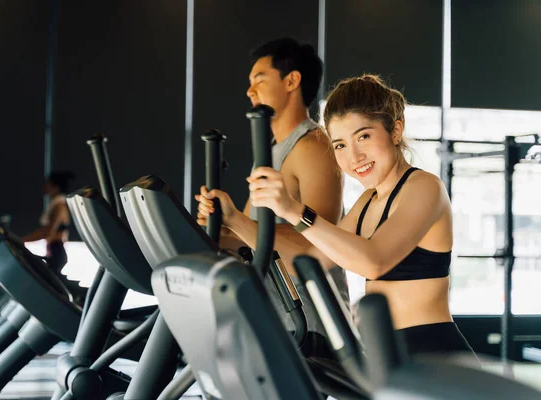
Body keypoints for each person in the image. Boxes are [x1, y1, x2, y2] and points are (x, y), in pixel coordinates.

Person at [247, 74, 477, 360]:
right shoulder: (368, 201)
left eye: (363, 136)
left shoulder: (424, 187)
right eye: (340, 145)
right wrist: (235, 221)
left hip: (434, 355)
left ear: (395, 131)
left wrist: (294, 210)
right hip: (387, 354)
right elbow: (309, 260)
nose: (354, 157)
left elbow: (375, 261)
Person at [195, 37, 347, 358]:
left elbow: (319, 247)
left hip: (309, 325)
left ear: (291, 81)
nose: (249, 91)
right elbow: (248, 242)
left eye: (259, 80)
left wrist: (235, 221)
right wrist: (215, 227)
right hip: (275, 320)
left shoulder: (313, 146)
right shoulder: (271, 152)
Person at [23, 171, 84, 301]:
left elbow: (48, 231)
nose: (44, 186)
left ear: (55, 186)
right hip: (52, 250)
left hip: (56, 251)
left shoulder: (60, 205)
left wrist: (21, 240)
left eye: (47, 184)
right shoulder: (55, 204)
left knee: (55, 290)